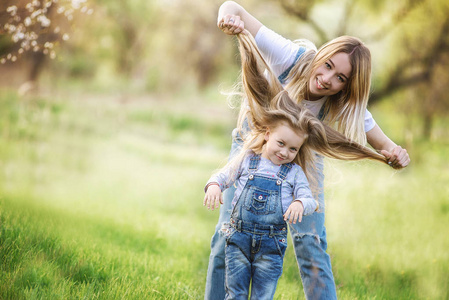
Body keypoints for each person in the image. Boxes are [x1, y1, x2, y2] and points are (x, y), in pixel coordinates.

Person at [204, 2, 411, 300]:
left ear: (347, 86)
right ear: (322, 55)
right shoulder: (290, 56)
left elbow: (383, 143)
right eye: (328, 66)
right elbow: (232, 6)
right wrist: (227, 18)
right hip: (253, 146)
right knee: (228, 232)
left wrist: (396, 154)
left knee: (310, 241)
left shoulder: (344, 103)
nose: (328, 79)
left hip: (303, 160)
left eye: (341, 78)